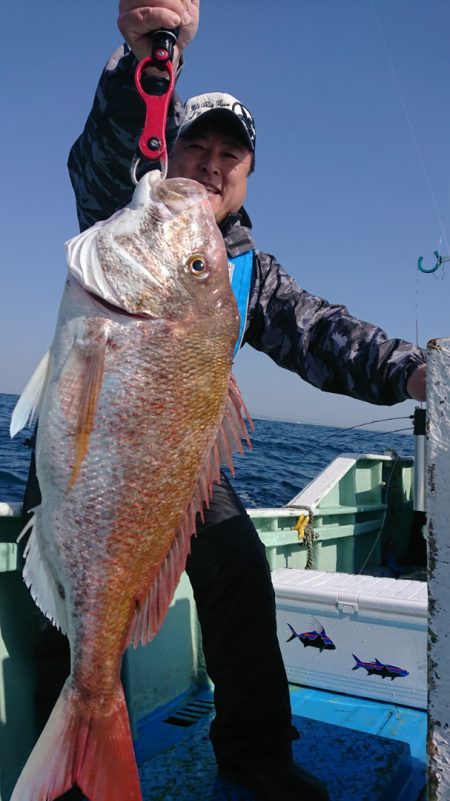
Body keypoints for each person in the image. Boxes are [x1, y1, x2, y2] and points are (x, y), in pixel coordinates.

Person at [25, 2, 427, 800]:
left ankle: (255, 755)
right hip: (92, 454)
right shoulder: (129, 209)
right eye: (195, 145)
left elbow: (327, 337)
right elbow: (104, 153)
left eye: (228, 155)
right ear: (168, 148)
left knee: (241, 563)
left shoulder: (253, 272)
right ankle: (68, 750)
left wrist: (417, 374)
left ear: (247, 176)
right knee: (63, 599)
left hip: (173, 461)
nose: (210, 163)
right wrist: (142, 54)